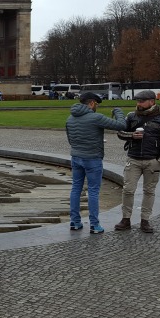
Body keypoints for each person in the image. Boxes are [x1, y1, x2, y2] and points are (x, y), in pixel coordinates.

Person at [115, 90, 160, 233]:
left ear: (152, 101)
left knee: (149, 191)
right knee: (128, 190)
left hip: (152, 160)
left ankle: (145, 220)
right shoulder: (131, 116)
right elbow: (120, 132)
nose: (139, 103)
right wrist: (132, 135)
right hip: (133, 158)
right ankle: (126, 219)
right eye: (138, 101)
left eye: (142, 101)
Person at [65, 92, 126, 234]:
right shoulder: (95, 117)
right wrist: (118, 112)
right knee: (93, 191)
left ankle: (74, 222)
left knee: (75, 189)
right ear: (91, 103)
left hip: (76, 157)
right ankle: (94, 224)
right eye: (96, 104)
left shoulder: (70, 118)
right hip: (92, 158)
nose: (96, 107)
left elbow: (70, 139)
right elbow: (121, 125)